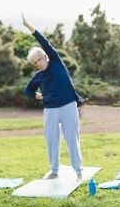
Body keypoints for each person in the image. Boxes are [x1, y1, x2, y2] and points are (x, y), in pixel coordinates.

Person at [22, 14, 84, 180]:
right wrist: (40, 96)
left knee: (72, 138)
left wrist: (29, 27)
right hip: (50, 110)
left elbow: (44, 42)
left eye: (40, 59)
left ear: (45, 57)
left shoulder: (56, 62)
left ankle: (78, 171)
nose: (39, 63)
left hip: (68, 105)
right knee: (51, 140)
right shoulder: (38, 76)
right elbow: (28, 91)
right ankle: (54, 171)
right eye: (35, 63)